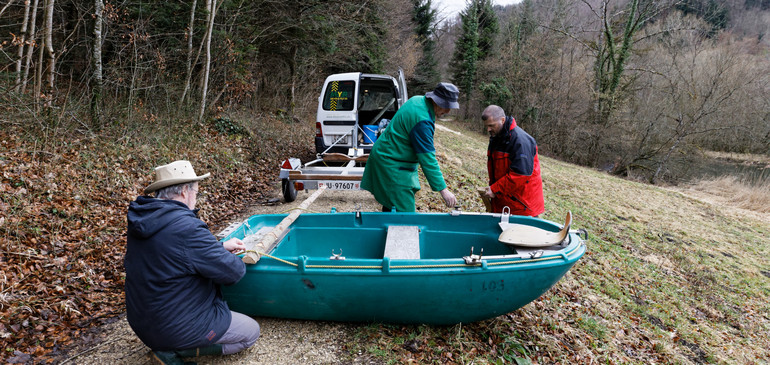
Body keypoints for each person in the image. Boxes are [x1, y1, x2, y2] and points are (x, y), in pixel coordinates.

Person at [125, 160, 260, 365]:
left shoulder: (145, 220)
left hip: (143, 323)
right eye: (196, 191)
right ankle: (175, 355)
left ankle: (170, 345)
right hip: (174, 329)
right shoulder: (187, 228)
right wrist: (226, 256)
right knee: (250, 332)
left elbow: (174, 254)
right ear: (184, 192)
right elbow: (234, 272)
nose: (196, 197)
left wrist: (219, 247)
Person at [361, 82, 460, 212]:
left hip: (391, 157)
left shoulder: (418, 100)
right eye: (446, 106)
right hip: (391, 163)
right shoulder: (422, 120)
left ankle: (388, 229)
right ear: (436, 101)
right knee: (405, 213)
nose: (447, 111)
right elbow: (428, 159)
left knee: (393, 206)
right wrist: (444, 190)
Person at [481, 105, 544, 216]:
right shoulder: (496, 138)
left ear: (502, 120)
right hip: (504, 202)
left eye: (491, 125)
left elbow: (521, 174)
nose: (488, 129)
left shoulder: (520, 141)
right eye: (486, 126)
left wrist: (495, 189)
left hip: (522, 207)